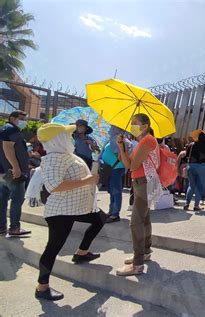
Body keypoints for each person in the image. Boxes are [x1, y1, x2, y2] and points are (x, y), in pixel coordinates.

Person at [35, 123, 105, 301]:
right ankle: (42, 287)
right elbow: (54, 186)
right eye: (66, 135)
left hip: (77, 207)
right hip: (61, 212)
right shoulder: (53, 158)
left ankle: (81, 253)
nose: (70, 138)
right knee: (53, 248)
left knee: (99, 220)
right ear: (58, 139)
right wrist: (88, 180)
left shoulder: (67, 155)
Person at [115, 113, 160, 276]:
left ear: (145, 126)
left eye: (135, 123)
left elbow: (133, 165)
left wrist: (127, 154)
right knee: (144, 219)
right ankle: (145, 252)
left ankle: (137, 263)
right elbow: (127, 164)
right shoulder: (141, 142)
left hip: (144, 182)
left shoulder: (147, 140)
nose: (132, 126)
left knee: (136, 222)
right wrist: (121, 147)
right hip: (141, 182)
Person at [0, 110, 32, 236]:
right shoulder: (11, 130)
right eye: (22, 118)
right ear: (13, 118)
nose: (25, 121)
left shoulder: (3, 129)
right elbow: (8, 148)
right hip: (12, 172)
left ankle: (1, 227)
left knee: (2, 200)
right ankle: (14, 228)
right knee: (17, 200)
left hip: (3, 171)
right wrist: (16, 167)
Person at [184, 130, 205, 211]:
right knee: (199, 186)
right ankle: (196, 206)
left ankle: (187, 203)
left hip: (191, 166)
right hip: (203, 167)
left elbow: (186, 155)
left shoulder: (191, 145)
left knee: (191, 186)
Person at [101, 141, 126, 223]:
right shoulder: (112, 140)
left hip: (117, 168)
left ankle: (115, 214)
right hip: (112, 168)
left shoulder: (120, 141)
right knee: (112, 191)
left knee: (115, 191)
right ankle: (112, 211)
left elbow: (121, 154)